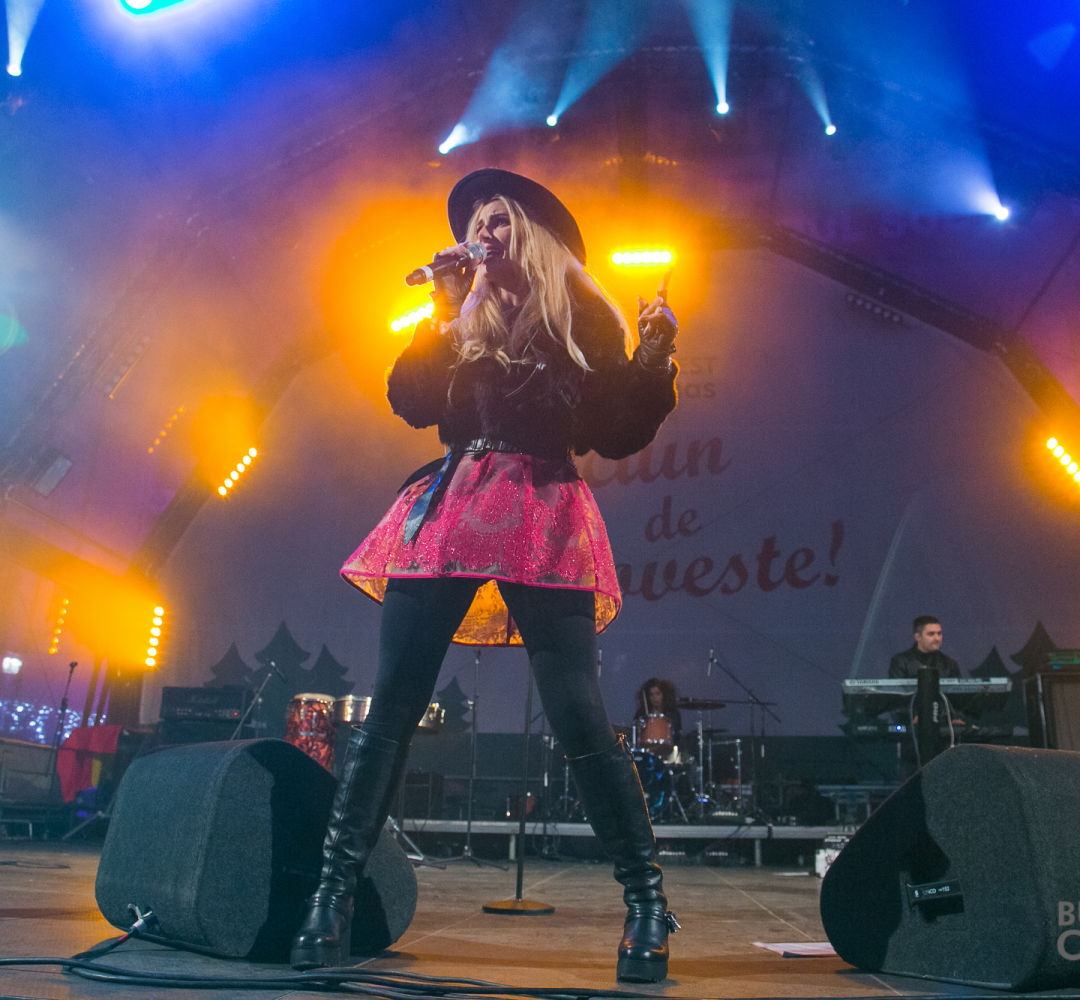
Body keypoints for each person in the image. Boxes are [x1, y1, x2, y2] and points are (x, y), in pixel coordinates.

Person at [290, 168, 681, 982]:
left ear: (531, 234)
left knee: (579, 715)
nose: (483, 233)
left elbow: (615, 431)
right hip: (456, 501)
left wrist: (652, 359)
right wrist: (439, 314)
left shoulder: (581, 317)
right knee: (392, 707)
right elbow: (410, 401)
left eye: (498, 220)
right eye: (476, 223)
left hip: (544, 504)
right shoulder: (459, 317)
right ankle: (330, 898)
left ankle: (646, 902)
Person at [888, 615, 961, 679]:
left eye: (939, 633)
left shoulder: (949, 665)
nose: (937, 638)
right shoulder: (900, 662)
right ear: (918, 637)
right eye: (931, 634)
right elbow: (897, 690)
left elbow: (958, 690)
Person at [632, 677, 682, 755]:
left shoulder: (672, 713)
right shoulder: (642, 713)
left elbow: (677, 733)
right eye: (651, 695)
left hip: (668, 751)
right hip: (646, 751)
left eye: (658, 694)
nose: (654, 697)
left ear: (663, 695)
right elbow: (636, 730)